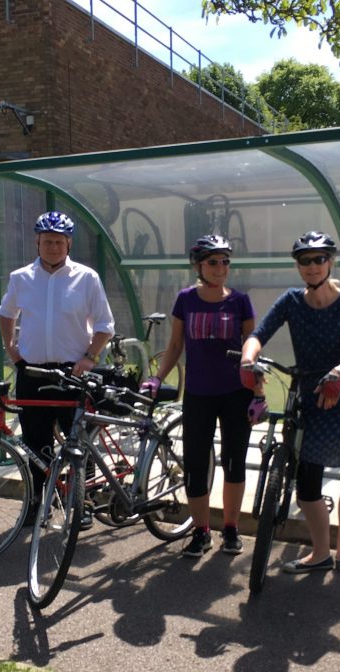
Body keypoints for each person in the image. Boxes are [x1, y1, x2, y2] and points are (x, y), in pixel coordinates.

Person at [240, 232, 340, 575]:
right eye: (306, 260)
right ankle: (320, 552)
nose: (313, 266)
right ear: (298, 265)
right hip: (312, 397)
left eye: (320, 259)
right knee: (306, 484)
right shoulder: (291, 301)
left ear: (330, 262)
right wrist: (247, 359)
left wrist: (338, 374)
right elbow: (259, 334)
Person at [0, 211, 115, 530]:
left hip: (72, 373)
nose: (53, 247)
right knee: (36, 443)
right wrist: (11, 348)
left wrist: (90, 356)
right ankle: (39, 504)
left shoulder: (86, 277)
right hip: (32, 372)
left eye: (59, 241)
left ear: (69, 244)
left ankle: (84, 502)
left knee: (80, 442)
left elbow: (106, 325)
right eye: (47, 241)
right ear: (37, 242)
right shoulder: (20, 278)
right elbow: (6, 313)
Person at [143, 235, 258, 558]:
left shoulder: (240, 301)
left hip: (236, 393)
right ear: (198, 266)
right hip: (198, 394)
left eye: (225, 261)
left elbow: (253, 348)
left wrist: (258, 391)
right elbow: (176, 345)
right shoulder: (185, 299)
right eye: (213, 262)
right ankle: (201, 530)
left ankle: (232, 529)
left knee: (234, 463)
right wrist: (156, 377)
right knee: (195, 465)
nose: (220, 268)